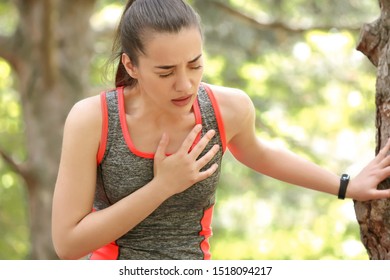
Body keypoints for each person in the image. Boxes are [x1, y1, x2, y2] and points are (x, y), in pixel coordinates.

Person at [51, 0, 390, 260]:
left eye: (195, 64)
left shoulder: (227, 109)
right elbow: (67, 243)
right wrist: (162, 187)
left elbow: (262, 155)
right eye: (166, 72)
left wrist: (346, 185)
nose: (185, 84)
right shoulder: (93, 120)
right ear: (131, 66)